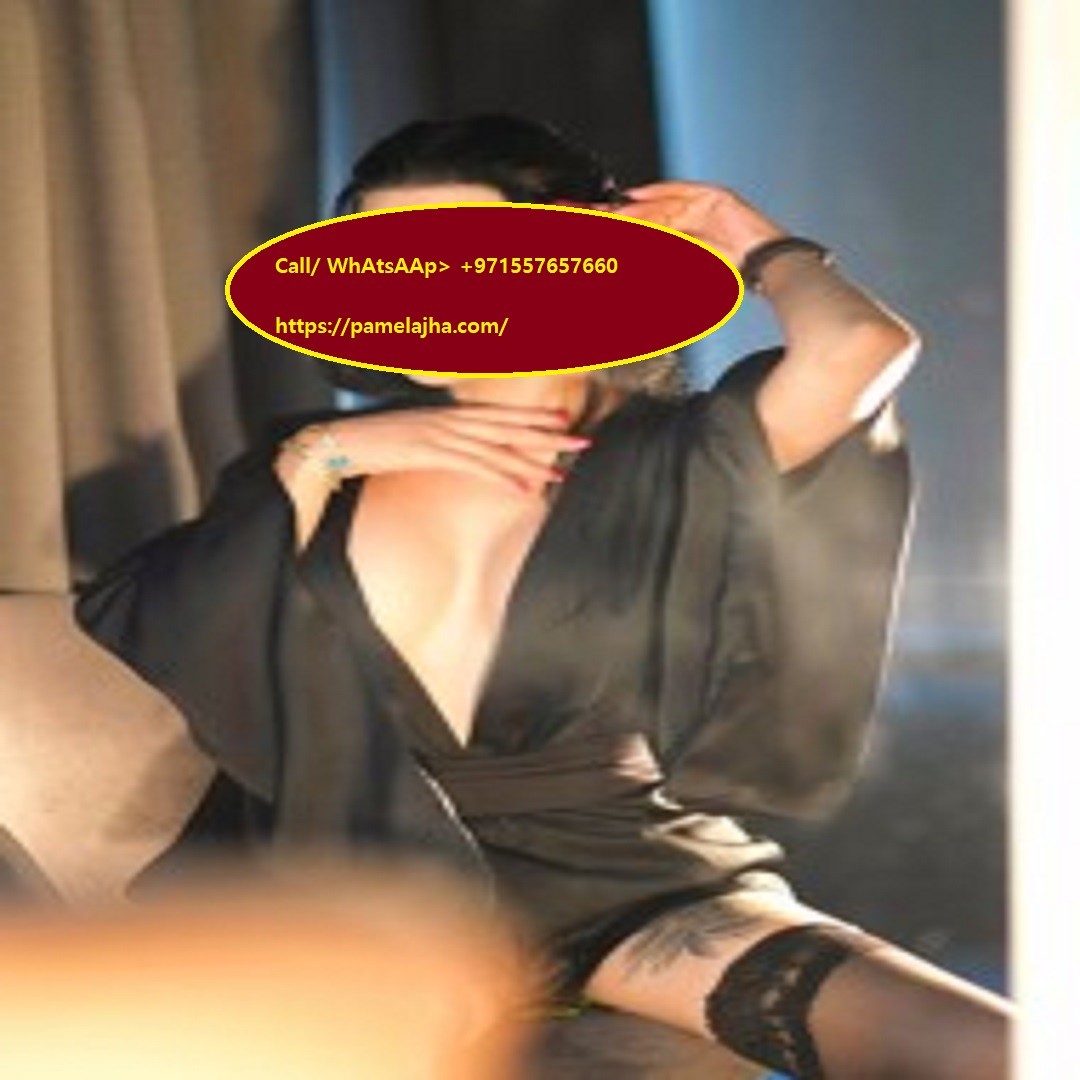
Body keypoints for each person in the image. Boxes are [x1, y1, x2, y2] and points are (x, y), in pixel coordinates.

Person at [75, 115, 1011, 1079]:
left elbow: (859, 346)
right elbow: (162, 612)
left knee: (993, 1050)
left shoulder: (683, 456)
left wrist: (753, 240)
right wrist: (324, 454)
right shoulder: (314, 464)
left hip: (626, 876)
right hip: (359, 881)